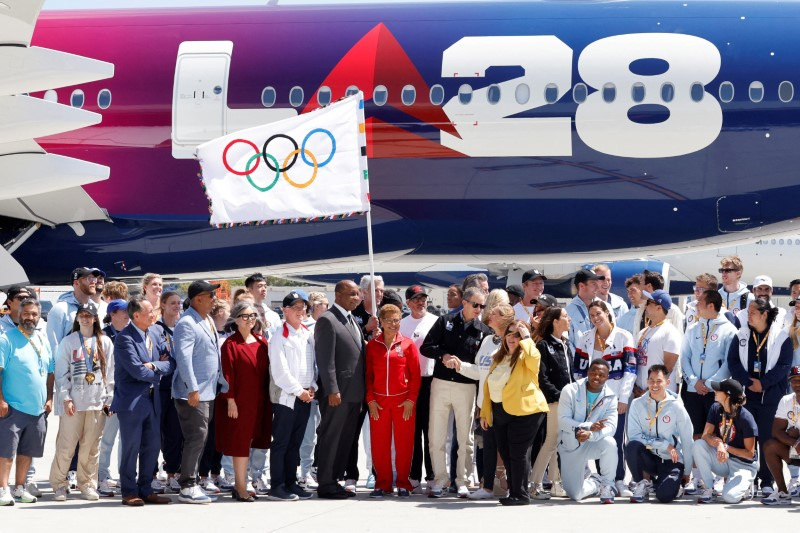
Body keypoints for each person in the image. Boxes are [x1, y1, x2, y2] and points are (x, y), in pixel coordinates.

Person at [421, 286, 492, 498]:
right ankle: (440, 480)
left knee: (465, 437)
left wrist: (481, 400)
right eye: (475, 305)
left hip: (467, 387)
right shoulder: (445, 321)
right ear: (465, 302)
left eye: (482, 306)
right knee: (436, 435)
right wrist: (443, 355)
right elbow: (426, 347)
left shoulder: (484, 331)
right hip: (441, 383)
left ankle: (462, 479)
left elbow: (483, 367)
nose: (479, 309)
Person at [445, 302, 515, 500]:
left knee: (508, 446)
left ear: (504, 319)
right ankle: (487, 487)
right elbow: (479, 371)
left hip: (506, 404)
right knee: (489, 446)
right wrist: (461, 366)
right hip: (486, 404)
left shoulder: (511, 341)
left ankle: (514, 486)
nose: (489, 314)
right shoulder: (486, 341)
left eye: (494, 313)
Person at [112, 295, 173, 506]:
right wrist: (157, 368)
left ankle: (146, 488)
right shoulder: (124, 338)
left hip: (153, 400)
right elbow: (137, 371)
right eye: (149, 312)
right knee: (131, 447)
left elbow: (170, 362)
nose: (153, 315)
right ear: (136, 315)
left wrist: (154, 366)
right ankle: (129, 491)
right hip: (132, 402)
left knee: (152, 446)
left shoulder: (155, 332)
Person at [50, 301, 115, 502]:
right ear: (77, 318)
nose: (86, 318)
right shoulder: (68, 342)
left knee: (91, 447)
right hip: (74, 403)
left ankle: (87, 484)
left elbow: (110, 373)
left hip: (97, 402)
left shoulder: (105, 342)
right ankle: (59, 485)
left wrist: (109, 399)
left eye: (89, 315)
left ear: (95, 319)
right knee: (66, 445)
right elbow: (61, 374)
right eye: (82, 315)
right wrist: (66, 398)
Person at [728, 297, 793, 496]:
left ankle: (766, 480)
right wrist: (748, 383)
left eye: (753, 312)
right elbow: (733, 362)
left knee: (766, 438)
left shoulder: (782, 336)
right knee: (747, 438)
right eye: (748, 312)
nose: (749, 316)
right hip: (747, 396)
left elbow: (784, 366)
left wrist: (763, 383)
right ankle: (749, 480)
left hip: (771, 397)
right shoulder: (741, 335)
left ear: (765, 315)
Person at [479, 320, 548, 506]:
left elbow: (534, 357)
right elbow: (488, 388)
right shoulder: (499, 357)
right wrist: (485, 413)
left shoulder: (527, 355)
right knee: (506, 451)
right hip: (500, 410)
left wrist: (526, 336)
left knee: (518, 452)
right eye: (509, 333)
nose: (512, 338)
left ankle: (521, 495)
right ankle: (515, 491)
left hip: (527, 410)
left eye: (517, 335)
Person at [172, 280, 228, 504]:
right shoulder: (187, 323)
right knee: (196, 437)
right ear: (198, 299)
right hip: (193, 392)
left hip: (208, 390)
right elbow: (184, 359)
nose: (214, 298)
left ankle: (192, 481)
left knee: (201, 437)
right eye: (210, 295)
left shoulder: (206, 320)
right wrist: (192, 388)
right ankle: (188, 486)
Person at [574, 301, 637, 497]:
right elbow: (578, 372)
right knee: (596, 438)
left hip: (615, 397)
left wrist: (624, 397)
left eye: (598, 313)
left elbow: (631, 370)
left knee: (616, 439)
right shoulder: (584, 338)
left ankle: (618, 480)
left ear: (608, 313)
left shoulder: (624, 336)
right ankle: (603, 480)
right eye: (592, 315)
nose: (595, 318)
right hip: (592, 397)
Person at [680, 289, 737, 493]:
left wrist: (711, 383)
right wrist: (694, 381)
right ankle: (699, 478)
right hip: (693, 390)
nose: (696, 306)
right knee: (696, 433)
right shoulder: (693, 327)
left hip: (715, 391)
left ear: (711, 306)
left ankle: (719, 475)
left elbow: (729, 362)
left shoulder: (729, 329)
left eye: (699, 303)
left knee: (716, 434)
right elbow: (684, 357)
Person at [314, 280, 365, 499]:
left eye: (358, 294)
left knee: (345, 439)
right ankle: (325, 482)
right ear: (338, 295)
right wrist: (332, 390)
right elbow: (326, 361)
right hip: (338, 393)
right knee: (331, 437)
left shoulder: (352, 320)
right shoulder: (328, 320)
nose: (357, 298)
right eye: (352, 294)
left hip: (354, 393)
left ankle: (335, 479)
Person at [217, 301, 271, 502]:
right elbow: (227, 374)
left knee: (252, 441)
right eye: (245, 316)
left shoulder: (261, 341)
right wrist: (230, 400)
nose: (249, 320)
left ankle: (244, 483)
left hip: (260, 400)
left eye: (252, 316)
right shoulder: (231, 344)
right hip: (239, 402)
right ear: (236, 319)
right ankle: (240, 486)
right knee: (240, 443)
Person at [0, 299, 53, 506]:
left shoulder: (42, 338)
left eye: (34, 314)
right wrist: (1, 400)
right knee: (6, 451)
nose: (30, 317)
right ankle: (3, 489)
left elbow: (50, 371)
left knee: (27, 452)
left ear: (39, 317)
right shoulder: (6, 339)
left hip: (37, 408)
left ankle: (20, 488)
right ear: (19, 314)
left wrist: (49, 398)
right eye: (26, 313)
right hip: (12, 406)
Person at [365, 304, 421, 498]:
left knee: (404, 444)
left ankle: (404, 483)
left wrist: (411, 400)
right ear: (381, 321)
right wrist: (370, 400)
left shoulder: (407, 344)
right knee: (379, 444)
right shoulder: (372, 346)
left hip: (403, 403)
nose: (393, 324)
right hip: (379, 403)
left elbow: (415, 375)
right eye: (389, 320)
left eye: (396, 320)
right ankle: (383, 483)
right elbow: (368, 376)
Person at [269, 292, 318, 501]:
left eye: (304, 307)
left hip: (305, 396)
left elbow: (313, 365)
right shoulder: (279, 336)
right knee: (281, 442)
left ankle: (291, 482)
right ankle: (277, 485)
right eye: (296, 307)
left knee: (295, 443)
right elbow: (280, 372)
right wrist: (300, 391)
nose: (301, 311)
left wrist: (313, 386)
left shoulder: (307, 334)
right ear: (285, 310)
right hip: (287, 399)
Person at [626, 365, 694, 503]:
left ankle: (665, 485)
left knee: (664, 496)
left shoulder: (676, 407)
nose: (654, 385)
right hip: (649, 457)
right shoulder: (637, 404)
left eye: (659, 381)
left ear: (667, 383)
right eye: (651, 380)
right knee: (632, 446)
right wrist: (664, 444)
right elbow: (634, 435)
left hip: (671, 459)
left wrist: (687, 471)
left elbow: (687, 440)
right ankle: (642, 484)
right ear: (647, 381)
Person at [557, 358, 618, 503]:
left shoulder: (611, 396)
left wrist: (590, 435)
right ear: (588, 372)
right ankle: (596, 483)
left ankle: (607, 485)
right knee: (575, 495)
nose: (597, 377)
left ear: (607, 377)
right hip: (570, 446)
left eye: (601, 375)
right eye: (593, 373)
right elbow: (562, 421)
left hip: (592, 442)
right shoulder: (570, 390)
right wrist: (587, 426)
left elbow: (611, 427)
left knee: (610, 442)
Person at [530, 306, 573, 499]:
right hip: (554, 401)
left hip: (568, 401)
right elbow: (542, 377)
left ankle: (556, 484)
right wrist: (558, 395)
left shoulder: (566, 344)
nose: (568, 319)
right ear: (555, 321)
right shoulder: (543, 345)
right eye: (565, 316)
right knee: (550, 442)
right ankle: (534, 484)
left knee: (559, 443)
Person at [400, 285, 439, 493]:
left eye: (423, 298)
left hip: (431, 381)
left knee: (431, 431)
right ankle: (414, 475)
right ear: (408, 303)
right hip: (409, 384)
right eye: (416, 299)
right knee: (413, 432)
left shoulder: (435, 321)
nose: (421, 302)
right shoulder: (402, 324)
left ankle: (432, 475)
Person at [694, 379, 759, 504]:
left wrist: (726, 447)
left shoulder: (746, 418)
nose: (715, 391)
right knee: (698, 445)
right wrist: (718, 444)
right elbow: (705, 435)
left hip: (743, 464)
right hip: (723, 459)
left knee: (730, 498)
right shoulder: (715, 408)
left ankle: (745, 486)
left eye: (718, 390)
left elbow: (750, 454)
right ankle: (709, 488)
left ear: (728, 396)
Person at [150, 292, 184, 494]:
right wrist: (164, 361)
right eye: (172, 303)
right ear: (162, 305)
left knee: (175, 434)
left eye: (179, 303)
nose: (176, 306)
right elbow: (157, 357)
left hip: (178, 387)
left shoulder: (183, 327)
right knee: (154, 433)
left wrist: (167, 360)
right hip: (160, 388)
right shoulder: (155, 329)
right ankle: (151, 474)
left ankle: (173, 473)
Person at [97, 299, 130, 497]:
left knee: (126, 439)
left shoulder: (131, 333)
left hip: (127, 393)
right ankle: (101, 475)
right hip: (110, 393)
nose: (127, 314)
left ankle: (123, 475)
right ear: (112, 314)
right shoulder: (102, 335)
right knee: (107, 438)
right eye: (123, 311)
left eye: (129, 311)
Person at [298, 291, 328, 489]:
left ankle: (310, 469)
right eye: (325, 304)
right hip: (302, 389)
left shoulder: (322, 326)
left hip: (319, 388)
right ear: (316, 306)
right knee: (306, 435)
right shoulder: (304, 329)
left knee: (315, 434)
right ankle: (304, 471)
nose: (327, 308)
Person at [760, 366, 800, 505]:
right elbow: (776, 431)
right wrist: (794, 442)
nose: (797, 384)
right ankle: (783, 492)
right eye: (794, 381)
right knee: (770, 446)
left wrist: (797, 435)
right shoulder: (786, 400)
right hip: (795, 448)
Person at [633, 290, 681, 396]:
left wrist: (651, 390)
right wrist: (635, 387)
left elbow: (668, 368)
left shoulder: (670, 332)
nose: (646, 305)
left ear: (659, 307)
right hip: (640, 393)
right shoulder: (643, 332)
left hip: (659, 395)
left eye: (649, 303)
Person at [46, 267, 104, 355]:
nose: (93, 282)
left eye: (94, 279)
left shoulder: (95, 308)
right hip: (70, 365)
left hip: (93, 364)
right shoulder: (60, 309)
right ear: (76, 283)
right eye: (89, 279)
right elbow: (53, 345)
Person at [566, 269, 603, 350]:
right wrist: (579, 360)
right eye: (593, 284)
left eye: (598, 283)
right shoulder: (568, 312)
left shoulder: (605, 307)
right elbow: (568, 342)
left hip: (603, 360)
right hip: (581, 360)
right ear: (581, 286)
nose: (597, 287)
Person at [245, 272, 281, 339]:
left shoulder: (273, 315)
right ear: (250, 290)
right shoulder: (242, 314)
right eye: (259, 286)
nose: (264, 289)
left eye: (265, 286)